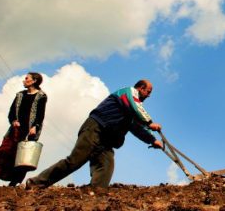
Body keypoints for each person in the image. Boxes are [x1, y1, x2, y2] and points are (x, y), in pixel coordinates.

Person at [26, 79, 163, 189]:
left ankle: (93, 191)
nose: (149, 95)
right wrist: (149, 122)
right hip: (95, 128)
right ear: (140, 88)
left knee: (106, 166)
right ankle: (36, 183)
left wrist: (152, 140)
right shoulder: (128, 93)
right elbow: (137, 109)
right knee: (74, 161)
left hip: (106, 140)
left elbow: (136, 127)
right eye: (148, 91)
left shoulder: (132, 111)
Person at [0, 72, 47, 186]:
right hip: (15, 131)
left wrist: (35, 126)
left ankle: (14, 183)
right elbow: (11, 112)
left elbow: (40, 115)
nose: (24, 80)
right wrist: (14, 121)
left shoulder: (41, 96)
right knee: (2, 152)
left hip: (29, 133)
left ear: (34, 81)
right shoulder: (19, 95)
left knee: (22, 159)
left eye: (26, 78)